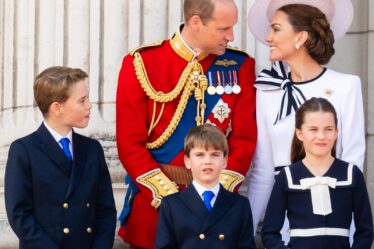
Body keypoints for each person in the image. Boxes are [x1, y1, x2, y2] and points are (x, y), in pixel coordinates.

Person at [116, 0, 257, 248]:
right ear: (196, 22)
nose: (231, 36)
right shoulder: (142, 63)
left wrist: (214, 193)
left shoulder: (240, 66)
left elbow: (244, 140)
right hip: (156, 208)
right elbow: (129, 144)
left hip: (216, 210)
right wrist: (172, 200)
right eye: (224, 28)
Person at [246, 0, 365, 238]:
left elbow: (353, 163)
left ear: (300, 37)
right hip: (283, 219)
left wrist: (351, 232)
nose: (268, 37)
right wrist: (244, 231)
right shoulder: (267, 90)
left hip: (332, 215)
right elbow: (263, 172)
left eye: (276, 29)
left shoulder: (346, 85)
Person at [4, 66, 117, 249]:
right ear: (57, 108)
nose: (89, 106)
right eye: (82, 100)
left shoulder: (92, 149)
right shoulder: (24, 150)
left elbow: (106, 211)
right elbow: (19, 215)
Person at [261, 97, 373, 249]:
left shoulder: (352, 174)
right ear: (300, 134)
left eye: (329, 129)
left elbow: (365, 231)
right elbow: (269, 232)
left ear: (336, 132)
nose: (321, 136)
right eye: (313, 129)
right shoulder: (286, 176)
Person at [155, 124, 256, 249]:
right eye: (200, 155)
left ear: (224, 161)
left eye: (214, 155)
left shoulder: (239, 205)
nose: (207, 161)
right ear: (187, 161)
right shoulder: (171, 205)